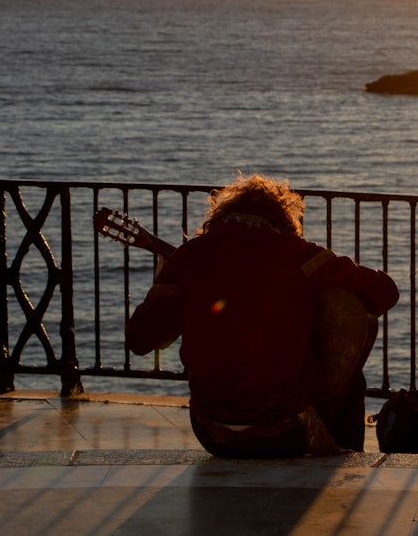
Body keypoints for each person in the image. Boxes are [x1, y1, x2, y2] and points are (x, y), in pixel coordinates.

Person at [125, 174, 399, 458]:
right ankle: (346, 465)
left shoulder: (187, 257)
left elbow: (141, 340)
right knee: (351, 379)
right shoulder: (299, 255)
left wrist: (163, 285)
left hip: (212, 432)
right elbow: (385, 292)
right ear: (283, 220)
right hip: (284, 433)